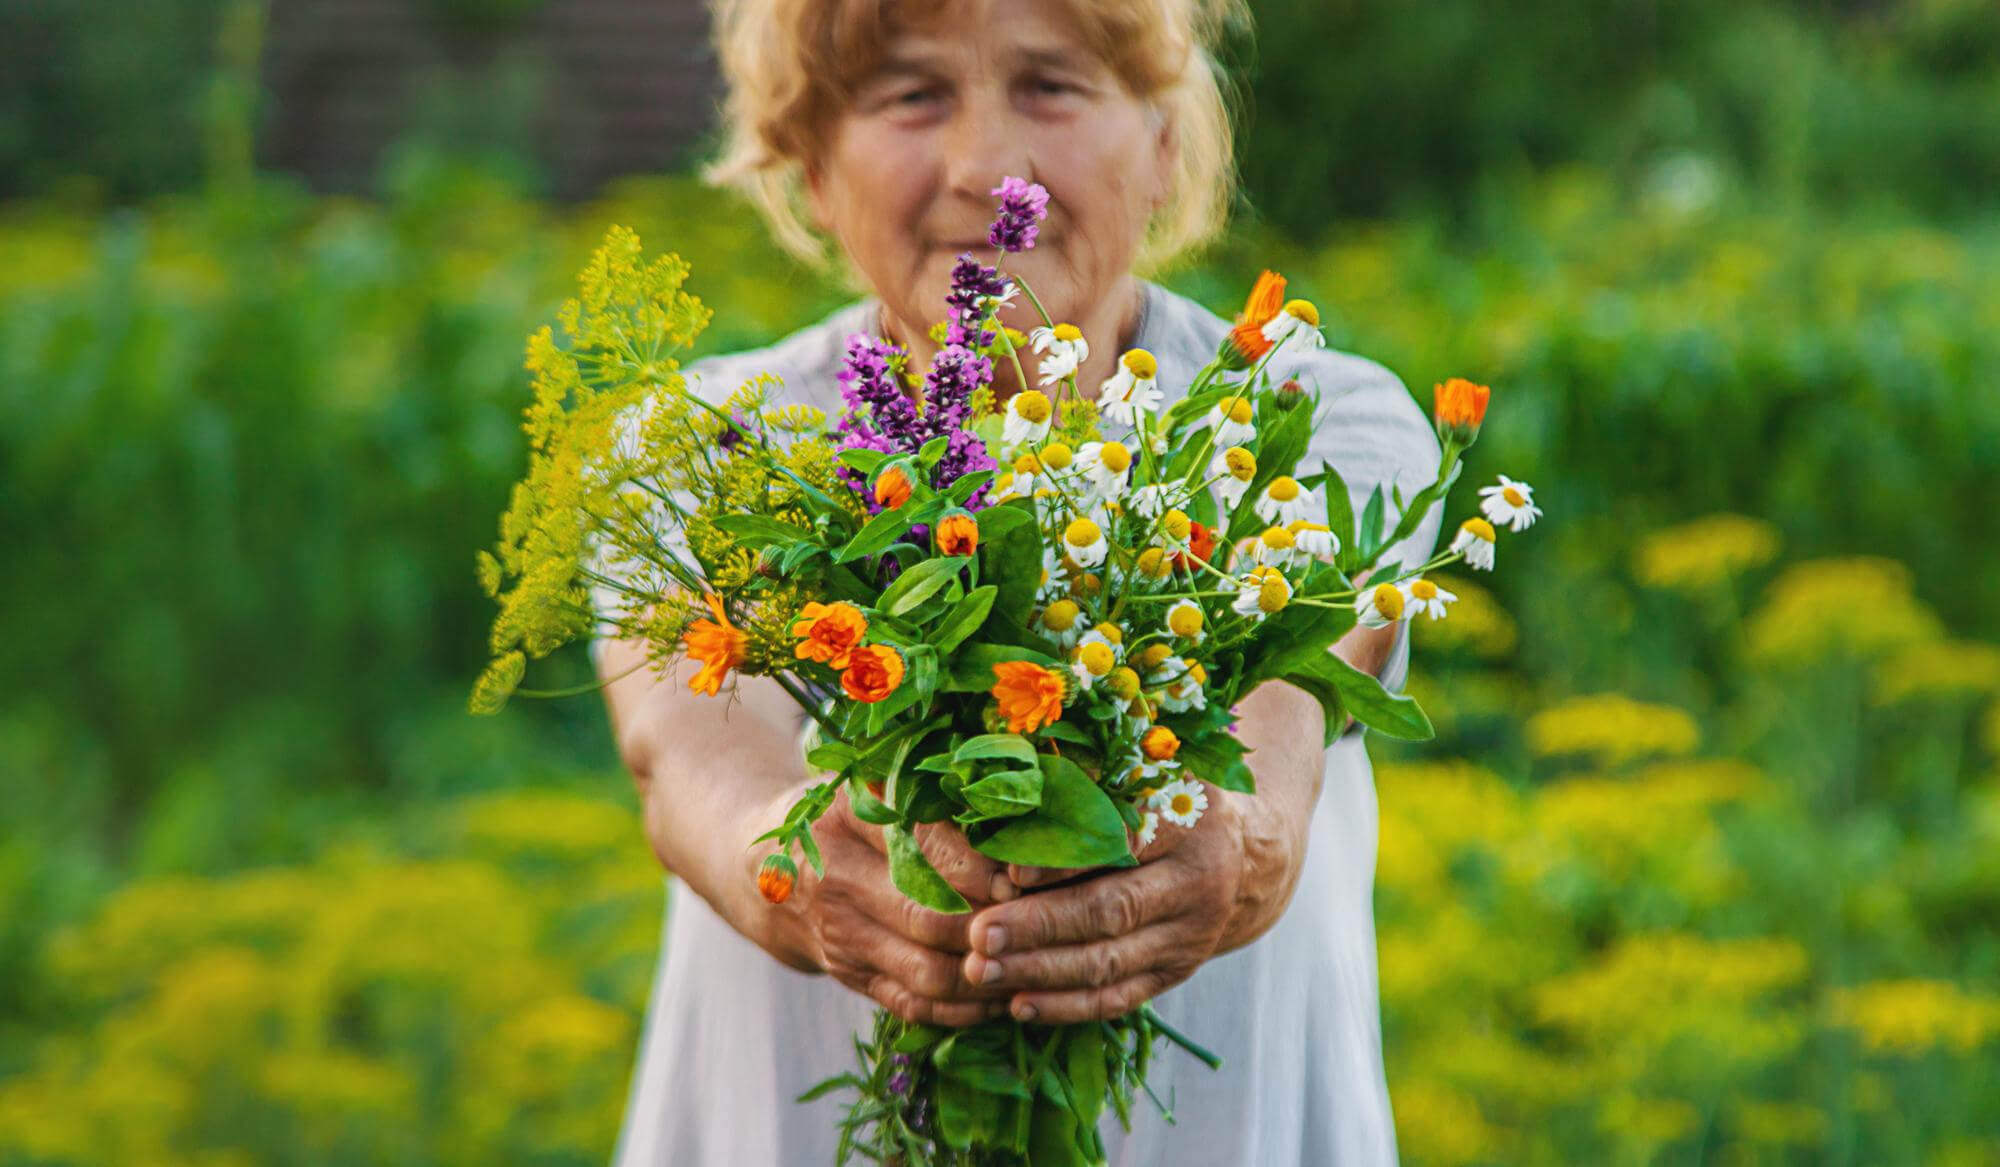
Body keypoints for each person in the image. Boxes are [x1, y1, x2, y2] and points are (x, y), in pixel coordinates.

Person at [592, 0, 1442, 1161]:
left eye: (1050, 85)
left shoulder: (1306, 426)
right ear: (810, 162)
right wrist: (790, 869)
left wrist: (1236, 843)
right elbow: (685, 757)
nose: (986, 168)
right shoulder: (702, 445)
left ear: (1162, 142)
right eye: (909, 96)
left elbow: (1296, 694)